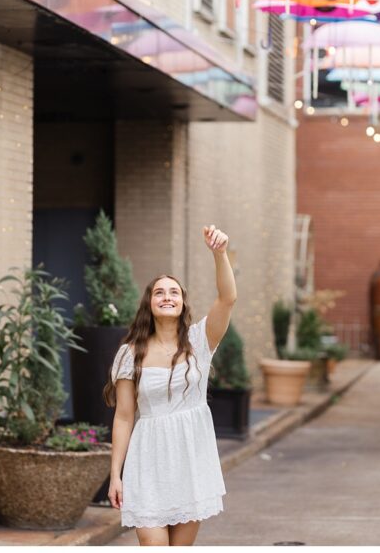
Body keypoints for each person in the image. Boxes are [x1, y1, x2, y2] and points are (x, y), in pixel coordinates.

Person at [104, 224, 236, 545]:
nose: (167, 296)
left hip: (191, 459)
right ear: (149, 303)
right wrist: (115, 475)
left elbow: (228, 297)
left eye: (174, 291)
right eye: (159, 292)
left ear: (182, 303)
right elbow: (123, 417)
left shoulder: (199, 341)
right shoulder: (130, 353)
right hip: (148, 460)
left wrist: (219, 254)